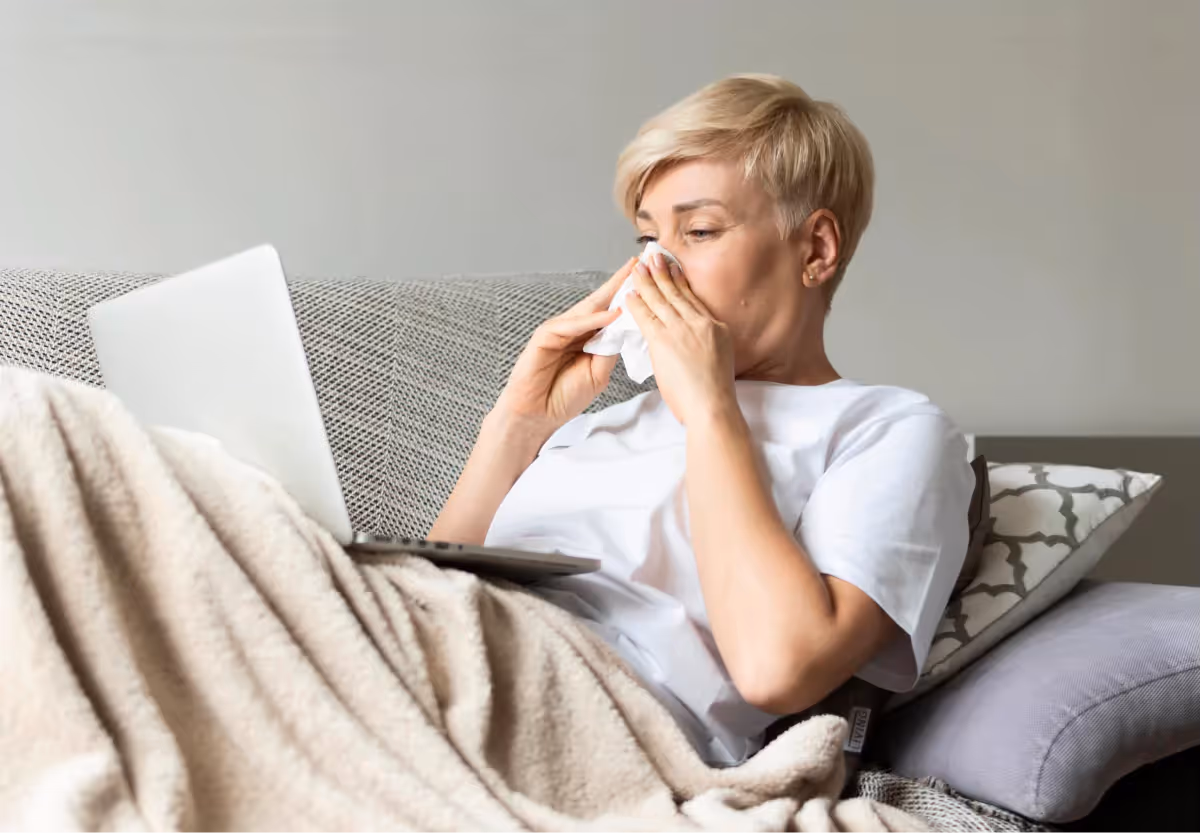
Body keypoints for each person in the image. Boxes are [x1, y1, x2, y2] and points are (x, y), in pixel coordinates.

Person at [429, 74, 974, 766]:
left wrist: (712, 412)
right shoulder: (597, 428)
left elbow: (778, 668)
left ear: (815, 249)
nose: (655, 269)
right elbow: (425, 598)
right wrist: (517, 424)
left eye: (699, 231)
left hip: (595, 717)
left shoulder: (890, 429)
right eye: (647, 237)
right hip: (444, 668)